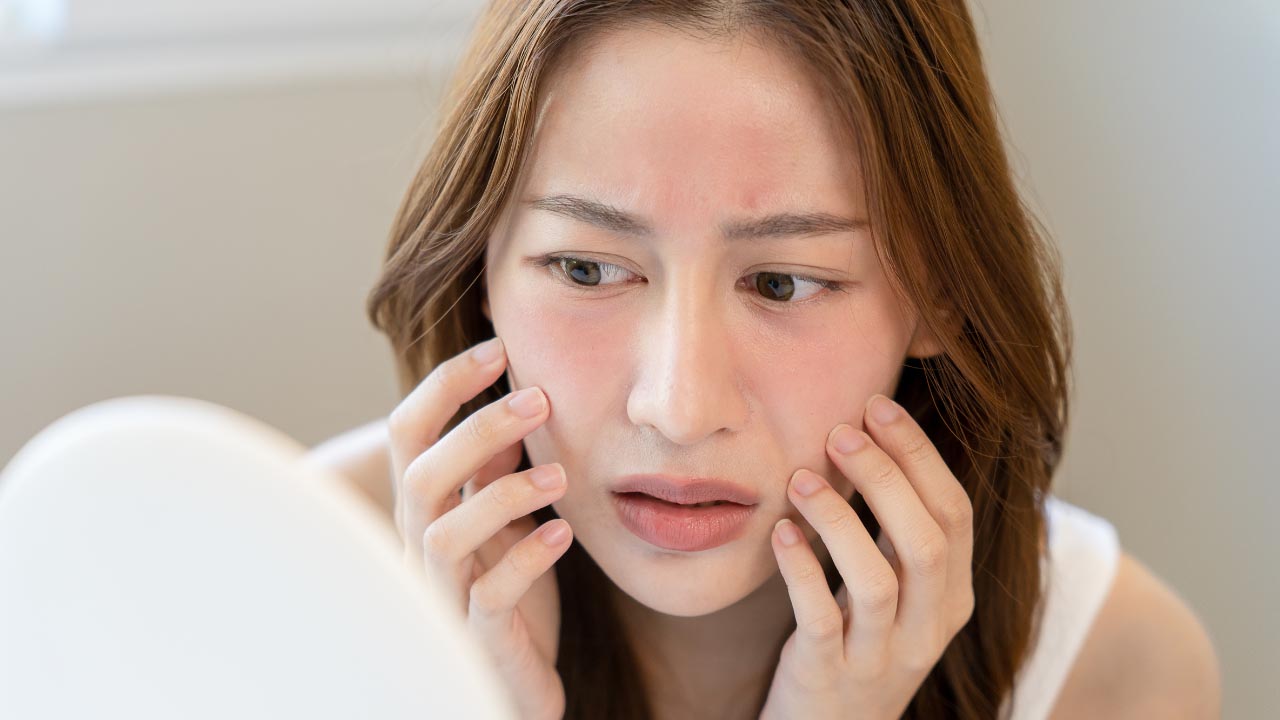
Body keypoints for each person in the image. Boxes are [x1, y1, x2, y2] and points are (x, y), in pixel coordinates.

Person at [306, 1, 1220, 718]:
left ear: (941, 294)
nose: (679, 407)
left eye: (782, 284)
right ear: (478, 271)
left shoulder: (1114, 668)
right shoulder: (290, 567)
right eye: (587, 269)